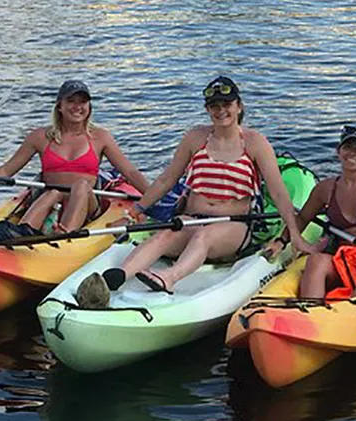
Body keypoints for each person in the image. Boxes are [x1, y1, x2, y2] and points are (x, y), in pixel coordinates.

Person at [108, 76, 311, 294]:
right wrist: (136, 211)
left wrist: (292, 234)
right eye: (214, 106)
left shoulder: (255, 143)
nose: (221, 110)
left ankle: (168, 278)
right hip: (192, 218)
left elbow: (278, 192)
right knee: (166, 233)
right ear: (207, 109)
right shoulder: (195, 138)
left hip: (233, 226)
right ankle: (115, 278)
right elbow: (166, 179)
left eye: (227, 104)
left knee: (203, 237)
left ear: (239, 106)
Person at [0, 80, 149, 234]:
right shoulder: (39, 137)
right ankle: (22, 231)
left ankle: (66, 233)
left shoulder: (101, 137)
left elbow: (129, 171)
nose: (78, 107)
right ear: (60, 106)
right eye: (71, 101)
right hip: (49, 199)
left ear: (89, 106)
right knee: (52, 192)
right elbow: (6, 171)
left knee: (81, 185)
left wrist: (157, 197)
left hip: (86, 201)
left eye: (83, 102)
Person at [265, 126, 356, 299]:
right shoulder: (325, 188)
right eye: (348, 147)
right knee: (315, 261)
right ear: (338, 151)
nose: (352, 154)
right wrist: (281, 241)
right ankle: (310, 307)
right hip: (344, 259)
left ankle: (353, 304)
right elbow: (302, 219)